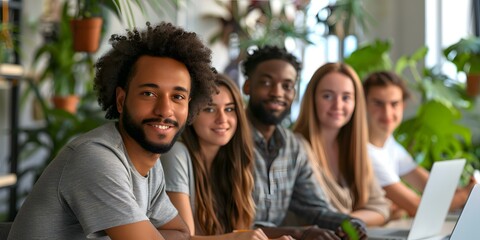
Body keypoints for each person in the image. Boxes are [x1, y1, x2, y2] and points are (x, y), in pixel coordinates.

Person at [8, 22, 216, 240]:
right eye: (149, 93)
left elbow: (182, 233)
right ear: (121, 100)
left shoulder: (149, 165)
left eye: (178, 97)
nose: (164, 110)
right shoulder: (95, 158)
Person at [241, 45, 367, 240]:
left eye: (287, 86)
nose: (277, 92)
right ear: (247, 86)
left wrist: (349, 225)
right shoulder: (227, 139)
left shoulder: (292, 145)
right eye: (266, 83)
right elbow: (231, 224)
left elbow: (315, 208)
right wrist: (299, 233)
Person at [161, 73, 288, 240]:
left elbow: (239, 231)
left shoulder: (233, 162)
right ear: (191, 114)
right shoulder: (176, 153)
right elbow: (184, 238)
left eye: (229, 109)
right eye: (210, 109)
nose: (222, 119)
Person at [363, 71, 476, 218]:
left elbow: (433, 186)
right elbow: (418, 208)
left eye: (394, 104)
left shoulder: (390, 145)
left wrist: (463, 190)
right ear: (363, 104)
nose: (387, 112)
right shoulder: (365, 152)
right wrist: (467, 194)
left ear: (403, 105)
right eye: (378, 103)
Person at [293, 63, 390, 226]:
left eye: (346, 97)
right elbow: (317, 217)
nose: (338, 105)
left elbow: (381, 208)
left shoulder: (354, 149)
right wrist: (350, 222)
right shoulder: (296, 147)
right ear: (312, 99)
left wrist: (345, 222)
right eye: (327, 96)